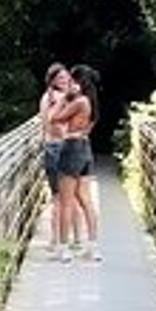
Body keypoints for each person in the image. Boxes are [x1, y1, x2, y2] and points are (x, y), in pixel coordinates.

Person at [49, 64, 102, 263]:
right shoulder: (92, 102)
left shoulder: (79, 102)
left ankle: (63, 249)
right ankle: (93, 248)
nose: (69, 83)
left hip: (71, 149)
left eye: (72, 80)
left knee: (66, 201)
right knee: (85, 199)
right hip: (85, 148)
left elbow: (53, 118)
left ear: (79, 82)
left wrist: (64, 98)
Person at [37, 63, 73, 259]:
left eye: (67, 77)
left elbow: (45, 125)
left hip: (50, 147)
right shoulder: (59, 98)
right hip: (61, 149)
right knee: (63, 198)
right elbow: (57, 126)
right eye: (60, 78)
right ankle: (61, 242)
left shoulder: (46, 98)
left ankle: (55, 240)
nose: (65, 81)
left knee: (57, 197)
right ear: (52, 81)